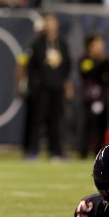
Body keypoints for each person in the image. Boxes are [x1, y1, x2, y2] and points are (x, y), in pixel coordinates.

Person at [22, 13, 71, 160]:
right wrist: (31, 85)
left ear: (57, 23)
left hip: (57, 87)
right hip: (41, 88)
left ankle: (56, 150)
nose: (49, 24)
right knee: (37, 120)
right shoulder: (37, 43)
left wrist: (66, 83)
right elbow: (30, 67)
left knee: (55, 120)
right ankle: (33, 150)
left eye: (51, 21)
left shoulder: (62, 43)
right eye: (47, 21)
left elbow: (67, 65)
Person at [78, 33, 109, 157]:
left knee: (103, 124)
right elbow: (88, 73)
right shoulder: (85, 59)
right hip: (89, 97)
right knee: (89, 124)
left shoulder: (106, 60)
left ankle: (99, 151)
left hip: (103, 97)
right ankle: (84, 151)